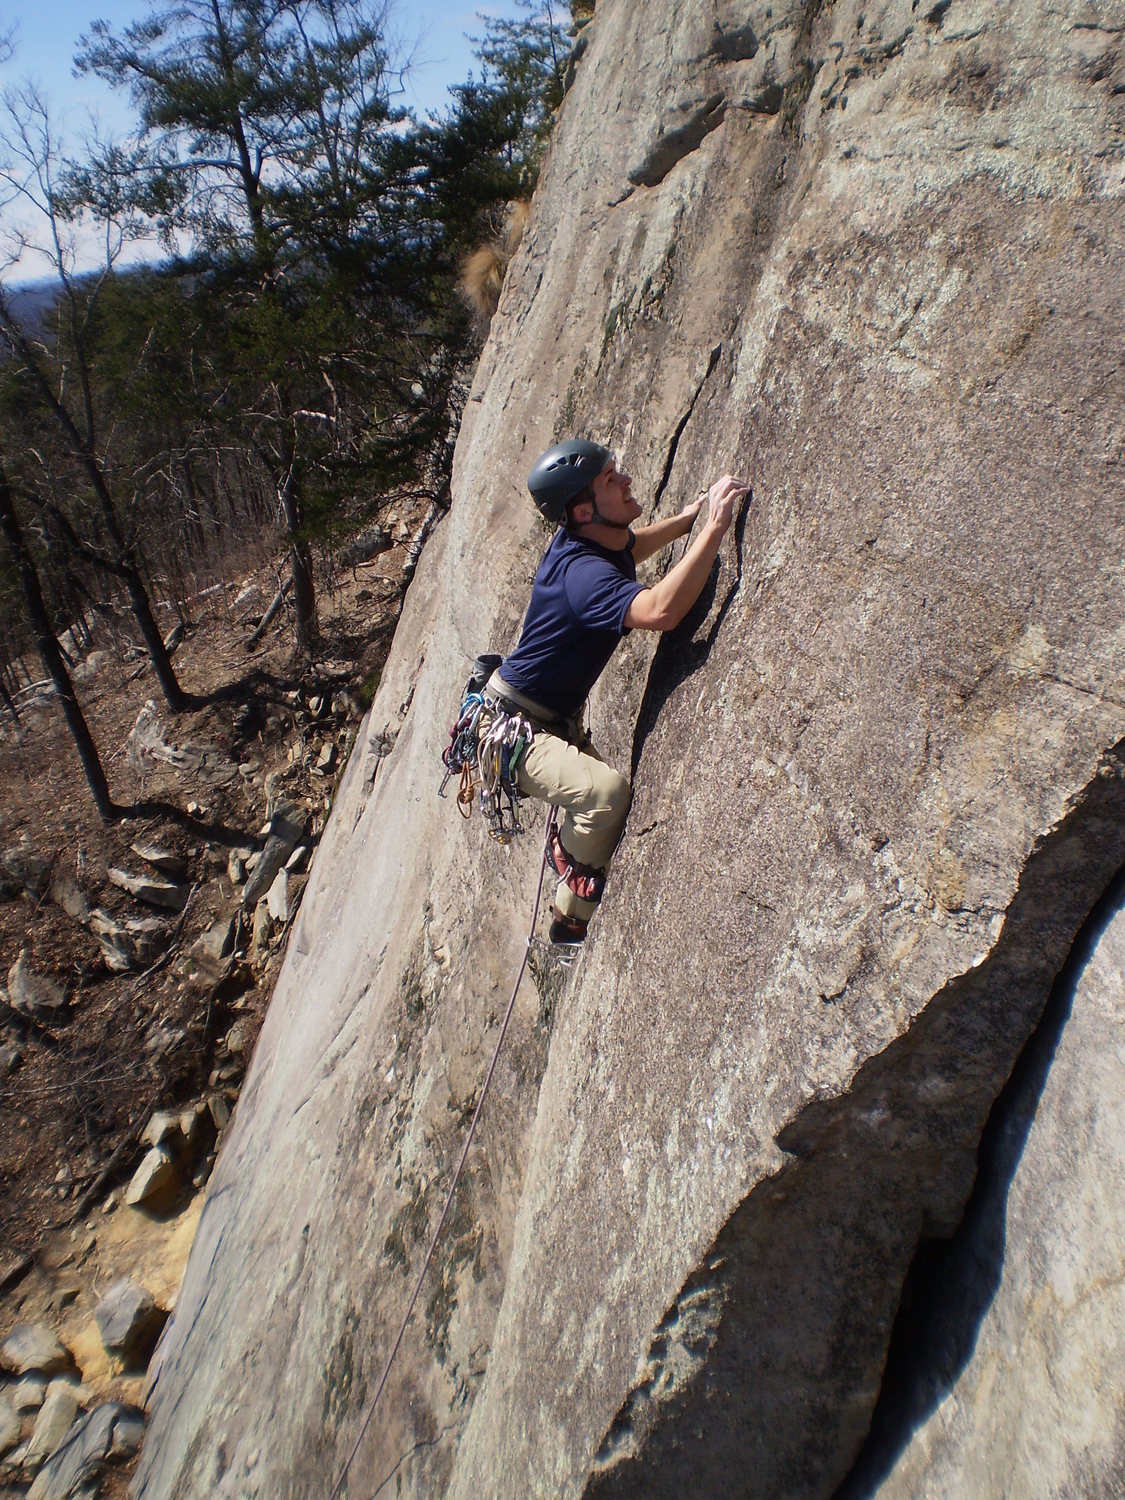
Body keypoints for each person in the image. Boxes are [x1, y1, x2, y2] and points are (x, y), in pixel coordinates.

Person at [487, 439, 750, 948]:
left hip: (541, 716)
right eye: (612, 479)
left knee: (604, 803)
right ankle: (568, 903)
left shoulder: (588, 540)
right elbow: (659, 612)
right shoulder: (583, 577)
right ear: (585, 510)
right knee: (606, 797)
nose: (627, 480)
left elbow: (630, 546)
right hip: (514, 727)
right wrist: (714, 528)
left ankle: (570, 883)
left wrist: (686, 519)